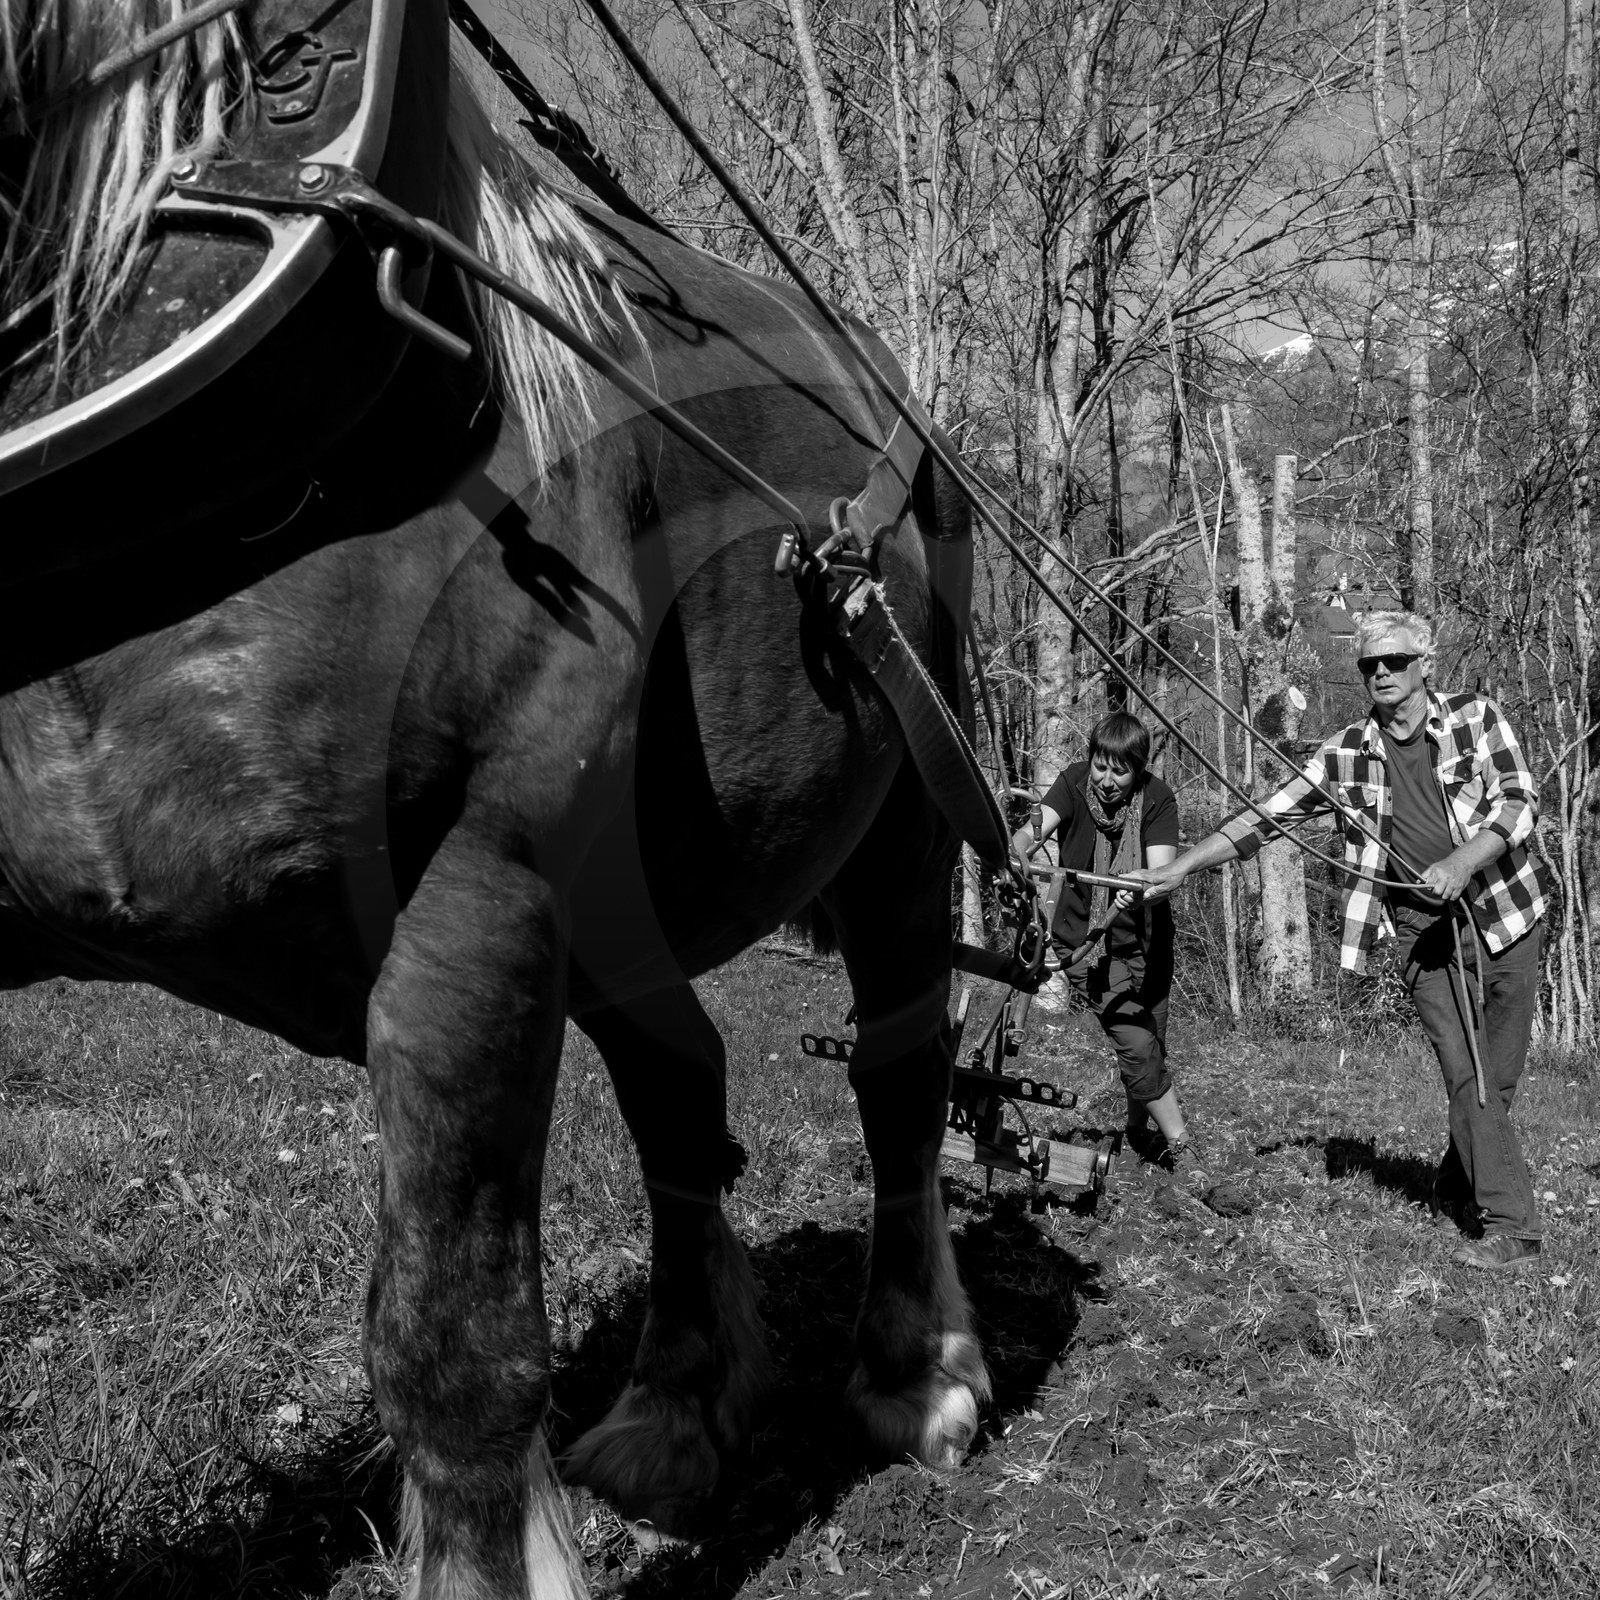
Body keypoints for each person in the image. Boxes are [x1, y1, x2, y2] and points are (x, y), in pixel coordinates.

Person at [1132, 611, 1547, 1272]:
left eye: (1395, 661)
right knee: (1467, 1073)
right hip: (1423, 934)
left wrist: (1462, 861)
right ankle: (1513, 1226)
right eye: (1369, 665)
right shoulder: (1346, 751)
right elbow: (1267, 817)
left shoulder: (1476, 718)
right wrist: (1183, 865)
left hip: (1505, 916)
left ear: (1425, 664)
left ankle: (1454, 1181)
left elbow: (1519, 802)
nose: (1381, 673)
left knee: (1497, 1078)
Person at [1012, 711, 1207, 1189]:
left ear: (1138, 770)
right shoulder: (1073, 783)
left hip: (1146, 940)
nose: (1106, 780)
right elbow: (1033, 831)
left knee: (1151, 1041)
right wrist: (1017, 853)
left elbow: (1160, 873)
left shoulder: (1158, 799)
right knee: (1135, 1040)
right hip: (1086, 944)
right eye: (1100, 766)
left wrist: (1139, 887)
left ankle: (1138, 1132)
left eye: (1119, 771)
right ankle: (1184, 1147)